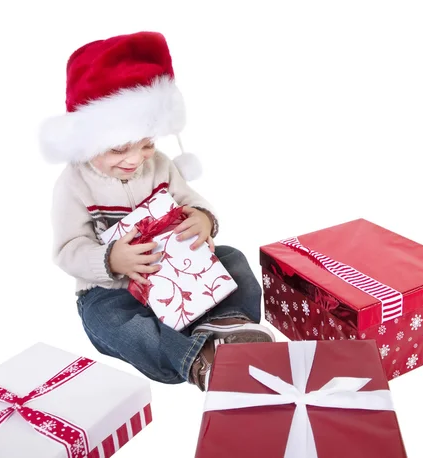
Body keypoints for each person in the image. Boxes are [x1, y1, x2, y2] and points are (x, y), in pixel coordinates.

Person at [39, 31, 274, 391]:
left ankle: (229, 325)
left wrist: (202, 220)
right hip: (112, 289)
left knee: (234, 259)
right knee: (109, 321)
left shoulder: (161, 166)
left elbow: (190, 198)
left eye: (147, 144)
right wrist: (111, 260)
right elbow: (66, 249)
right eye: (118, 149)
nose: (135, 159)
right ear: (87, 142)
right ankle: (195, 360)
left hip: (179, 275)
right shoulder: (73, 184)